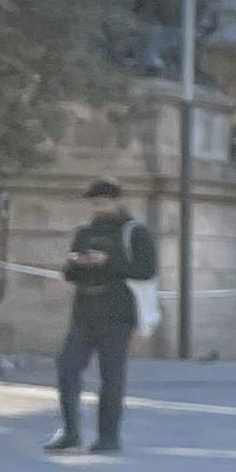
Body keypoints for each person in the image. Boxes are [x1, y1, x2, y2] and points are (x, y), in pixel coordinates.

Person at [48, 178, 156, 453]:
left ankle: (108, 436)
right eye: (94, 204)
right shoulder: (84, 233)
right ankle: (71, 431)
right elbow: (69, 274)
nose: (98, 208)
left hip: (117, 313)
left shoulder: (134, 233)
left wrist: (109, 262)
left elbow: (146, 270)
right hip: (84, 311)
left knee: (111, 376)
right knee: (67, 367)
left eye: (103, 203)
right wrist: (76, 264)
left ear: (116, 201)